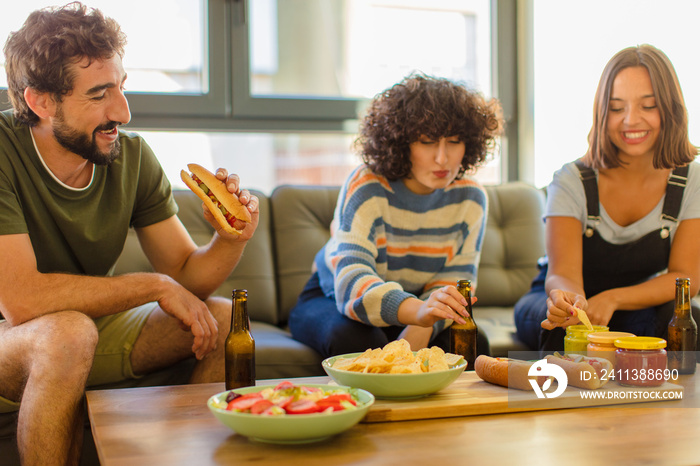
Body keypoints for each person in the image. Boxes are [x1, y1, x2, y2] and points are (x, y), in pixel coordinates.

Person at [0, 3, 258, 465]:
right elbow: (22, 302)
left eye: (121, 86)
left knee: (218, 320)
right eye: (99, 94)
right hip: (12, 340)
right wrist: (153, 286)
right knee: (67, 334)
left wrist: (231, 237)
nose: (123, 111)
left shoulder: (130, 156)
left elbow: (186, 276)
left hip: (85, 332)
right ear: (40, 101)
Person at [288, 73, 504, 359]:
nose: (442, 158)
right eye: (427, 142)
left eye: (454, 141)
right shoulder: (367, 186)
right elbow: (353, 282)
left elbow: (454, 283)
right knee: (355, 342)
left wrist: (423, 326)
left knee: (472, 342)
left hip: (418, 308)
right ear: (401, 143)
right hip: (332, 298)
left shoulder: (471, 198)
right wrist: (418, 312)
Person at [514, 44, 700, 352]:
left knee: (676, 321)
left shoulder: (690, 180)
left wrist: (614, 298)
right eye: (616, 108)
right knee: (565, 330)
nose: (631, 120)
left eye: (648, 106)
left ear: (669, 108)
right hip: (563, 299)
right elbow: (562, 273)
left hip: (633, 301)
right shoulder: (571, 180)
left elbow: (686, 277)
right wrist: (572, 304)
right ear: (602, 113)